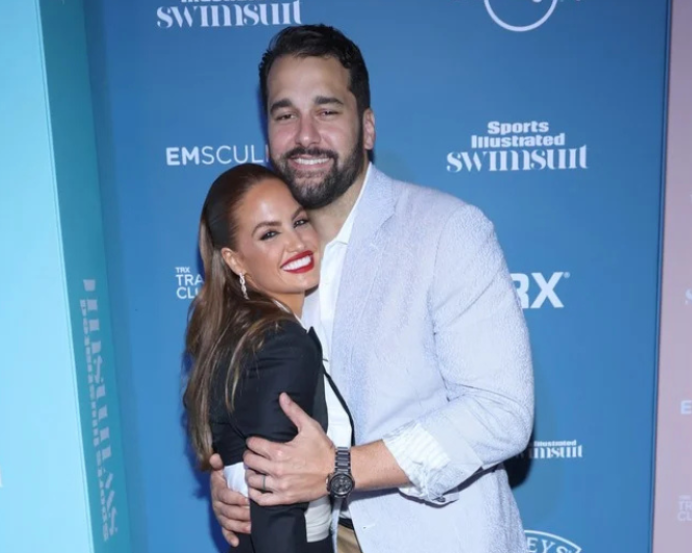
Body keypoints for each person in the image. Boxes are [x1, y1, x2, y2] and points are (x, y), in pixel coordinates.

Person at [208, 25, 535, 553]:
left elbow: (501, 411)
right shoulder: (260, 261)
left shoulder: (447, 231)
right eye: (285, 114)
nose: (305, 134)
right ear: (267, 134)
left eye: (327, 110)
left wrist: (342, 469)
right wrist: (234, 481)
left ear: (367, 128)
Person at [183, 163, 354, 553]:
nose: (296, 243)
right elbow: (275, 494)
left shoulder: (242, 332)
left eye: (299, 222)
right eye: (270, 234)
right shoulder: (281, 343)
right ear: (236, 261)